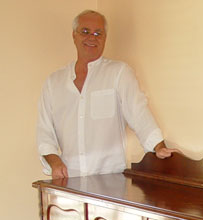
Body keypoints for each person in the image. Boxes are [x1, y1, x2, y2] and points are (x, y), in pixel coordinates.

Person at [37, 9, 174, 179]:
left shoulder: (119, 73)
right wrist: (54, 161)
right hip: (68, 183)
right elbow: (45, 133)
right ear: (74, 36)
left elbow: (139, 113)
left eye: (98, 33)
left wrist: (158, 147)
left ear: (105, 39)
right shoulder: (53, 82)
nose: (92, 38)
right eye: (85, 31)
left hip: (111, 182)